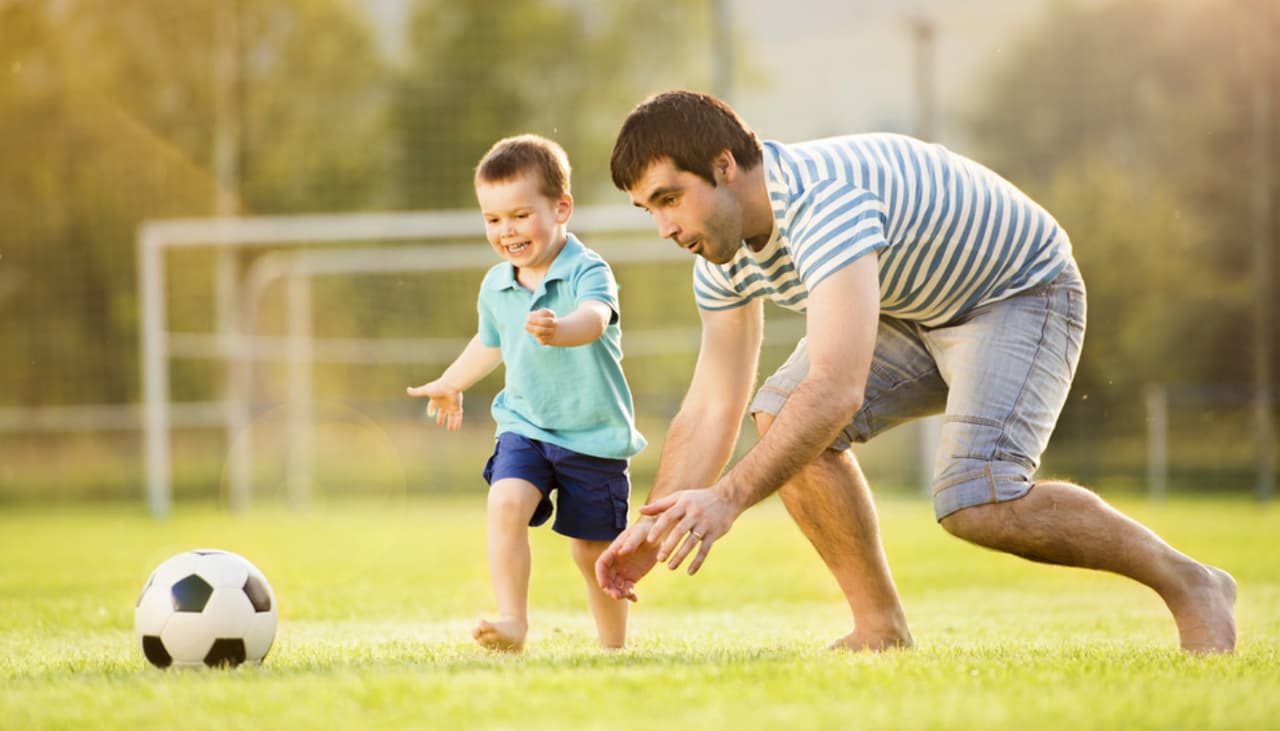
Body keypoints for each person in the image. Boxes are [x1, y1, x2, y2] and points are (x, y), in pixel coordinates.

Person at [594, 90, 1237, 653]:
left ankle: (1192, 581)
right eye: (648, 209)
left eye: (669, 199)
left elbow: (838, 389)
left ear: (724, 167)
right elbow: (712, 404)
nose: (662, 227)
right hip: (912, 308)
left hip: (1017, 292)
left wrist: (729, 498)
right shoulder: (719, 255)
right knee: (779, 414)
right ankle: (880, 628)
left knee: (977, 500)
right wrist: (658, 521)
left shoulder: (824, 205)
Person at [407, 134, 646, 651]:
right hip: (526, 425)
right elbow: (489, 341)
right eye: (493, 220)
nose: (506, 231)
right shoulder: (496, 284)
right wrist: (451, 382)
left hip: (593, 436)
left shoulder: (588, 269)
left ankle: (612, 646)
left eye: (519, 215)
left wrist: (560, 329)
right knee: (506, 501)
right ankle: (513, 621)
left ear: (561, 208)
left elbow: (595, 318)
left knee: (591, 551)